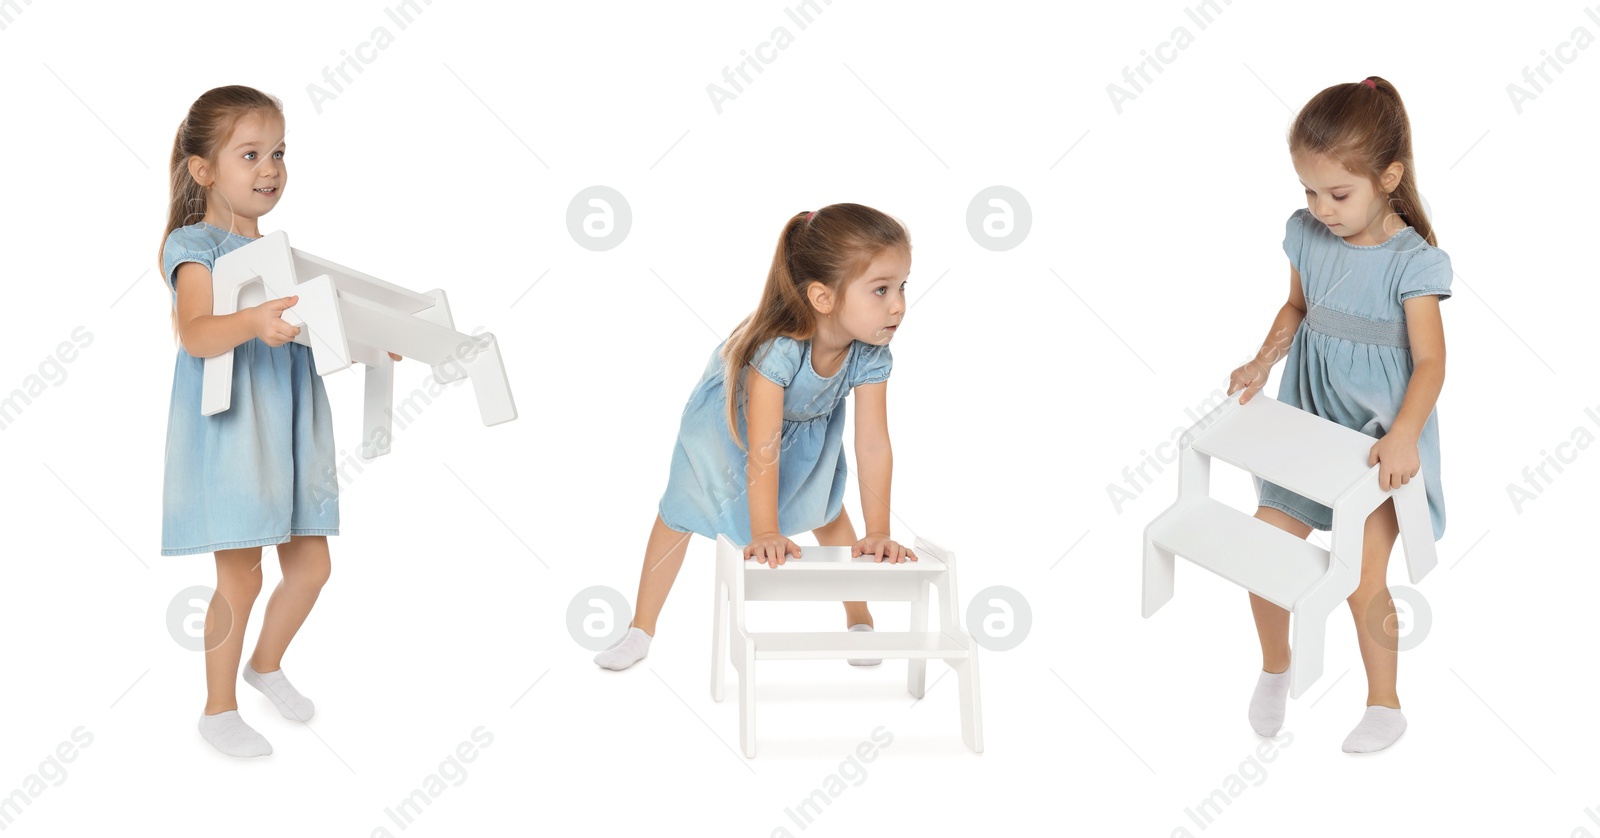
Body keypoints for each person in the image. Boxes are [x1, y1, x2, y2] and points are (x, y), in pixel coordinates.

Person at [1229, 76, 1451, 753]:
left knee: (1359, 578)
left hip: (1376, 444)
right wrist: (1263, 360)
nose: (1321, 208)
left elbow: (1432, 363)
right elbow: (1296, 309)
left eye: (1338, 194)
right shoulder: (1308, 237)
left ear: (1389, 177)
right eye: (1309, 191)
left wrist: (1405, 433)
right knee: (1262, 555)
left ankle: (1384, 701)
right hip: (1310, 431)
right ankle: (1276, 666)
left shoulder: (1411, 262)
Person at [595, 203, 916, 672]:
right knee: (680, 515)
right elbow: (762, 445)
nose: (898, 305)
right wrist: (765, 531)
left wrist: (880, 532)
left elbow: (873, 444)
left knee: (828, 511)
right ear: (824, 298)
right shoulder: (781, 349)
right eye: (881, 289)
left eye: (903, 286)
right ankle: (640, 630)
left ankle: (859, 619)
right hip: (731, 433)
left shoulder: (870, 354)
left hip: (804, 434)